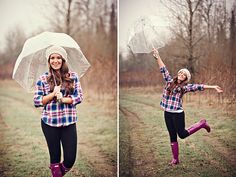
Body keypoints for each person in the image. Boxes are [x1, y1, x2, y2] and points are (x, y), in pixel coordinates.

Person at [152, 48, 223, 166]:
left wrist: (213, 87)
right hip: (167, 113)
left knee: (182, 135)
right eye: (180, 73)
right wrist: (157, 56)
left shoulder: (185, 87)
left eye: (184, 75)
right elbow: (163, 69)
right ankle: (175, 159)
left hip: (178, 114)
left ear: (185, 78)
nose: (181, 75)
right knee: (172, 135)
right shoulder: (169, 81)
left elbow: (199, 86)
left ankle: (201, 124)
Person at [34, 45, 83, 177]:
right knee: (55, 158)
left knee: (70, 159)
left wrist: (64, 99)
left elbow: (79, 97)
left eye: (58, 57)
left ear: (63, 59)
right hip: (49, 123)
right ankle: (55, 173)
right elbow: (37, 101)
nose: (55, 61)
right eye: (52, 58)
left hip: (69, 122)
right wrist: (52, 95)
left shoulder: (73, 76)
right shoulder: (43, 79)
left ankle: (58, 173)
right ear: (49, 61)